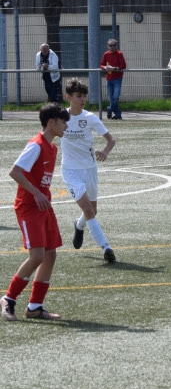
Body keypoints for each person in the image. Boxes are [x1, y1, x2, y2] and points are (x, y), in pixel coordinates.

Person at [1, 103, 71, 321]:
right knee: (37, 256)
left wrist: (42, 196)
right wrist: (36, 193)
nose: (66, 126)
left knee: (50, 255)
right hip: (29, 207)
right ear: (51, 123)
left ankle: (35, 307)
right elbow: (15, 171)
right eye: (63, 122)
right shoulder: (36, 145)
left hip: (44, 206)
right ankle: (8, 298)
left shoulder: (52, 148)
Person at [61, 79, 117, 263]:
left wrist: (105, 152)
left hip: (90, 169)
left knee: (92, 210)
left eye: (84, 96)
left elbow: (111, 140)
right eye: (78, 96)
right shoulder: (61, 117)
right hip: (71, 171)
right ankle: (106, 247)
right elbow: (47, 135)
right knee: (87, 208)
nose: (83, 99)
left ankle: (79, 225)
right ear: (69, 97)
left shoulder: (90, 117)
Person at [99, 39, 126, 120]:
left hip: (117, 78)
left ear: (116, 46)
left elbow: (123, 65)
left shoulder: (119, 54)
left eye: (114, 45)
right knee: (111, 98)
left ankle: (109, 109)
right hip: (109, 79)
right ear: (108, 46)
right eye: (110, 45)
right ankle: (118, 114)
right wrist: (105, 67)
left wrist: (114, 68)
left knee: (115, 97)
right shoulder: (106, 54)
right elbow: (101, 65)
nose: (112, 47)